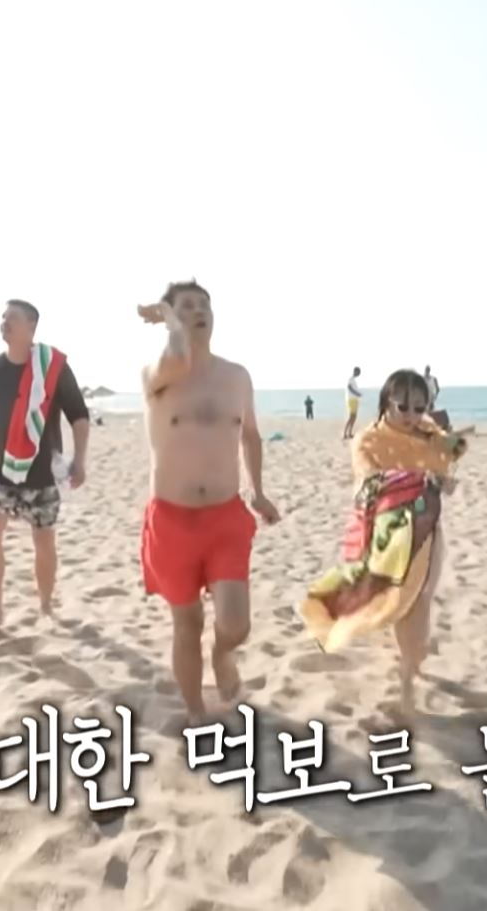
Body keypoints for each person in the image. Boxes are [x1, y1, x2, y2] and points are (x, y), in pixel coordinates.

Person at [137, 280, 281, 727]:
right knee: (188, 623)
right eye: (187, 306)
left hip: (225, 516)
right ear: (169, 316)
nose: (199, 312)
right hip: (172, 520)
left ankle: (223, 655)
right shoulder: (157, 374)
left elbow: (250, 435)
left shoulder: (236, 377)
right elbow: (179, 358)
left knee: (236, 624)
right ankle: (196, 712)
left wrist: (258, 490)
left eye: (205, 305)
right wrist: (170, 322)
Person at [299, 368, 469, 722]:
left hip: (427, 532)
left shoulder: (428, 432)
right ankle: (407, 682)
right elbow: (370, 479)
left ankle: (411, 664)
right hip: (387, 535)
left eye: (419, 407)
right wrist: (419, 478)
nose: (411, 415)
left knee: (420, 600)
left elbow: (448, 459)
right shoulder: (368, 441)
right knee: (399, 604)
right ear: (385, 403)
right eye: (402, 406)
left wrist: (447, 461)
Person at [0, 299, 91, 631]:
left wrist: (80, 460)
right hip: (1, 471)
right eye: (3, 317)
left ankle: (45, 604)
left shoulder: (53, 368)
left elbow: (79, 415)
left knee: (43, 543)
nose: (4, 322)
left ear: (31, 326)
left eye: (12, 318)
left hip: (44, 473)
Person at [342, 366, 363, 440]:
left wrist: (358, 394)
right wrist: (357, 393)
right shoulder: (350, 379)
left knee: (354, 417)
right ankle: (345, 434)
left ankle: (350, 433)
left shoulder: (354, 380)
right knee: (351, 417)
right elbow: (349, 387)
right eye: (358, 372)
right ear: (355, 371)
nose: (359, 374)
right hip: (351, 400)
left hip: (355, 400)